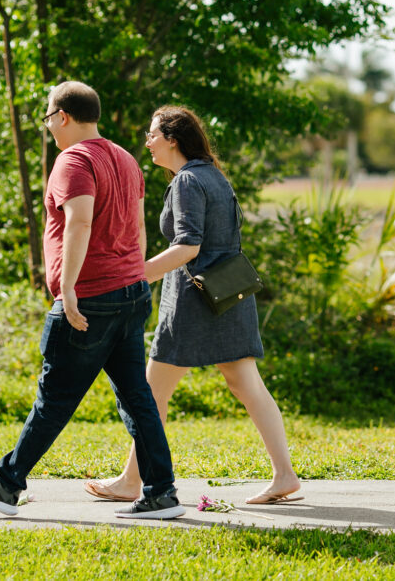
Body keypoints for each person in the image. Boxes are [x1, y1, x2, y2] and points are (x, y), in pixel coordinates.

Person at [0, 82, 185, 520]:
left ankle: (5, 485)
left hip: (90, 298)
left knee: (54, 399)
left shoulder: (73, 160)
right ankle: (160, 492)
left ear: (62, 116)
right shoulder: (124, 158)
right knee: (138, 396)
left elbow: (78, 223)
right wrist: (132, 281)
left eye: (48, 119)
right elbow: (137, 229)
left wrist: (67, 289)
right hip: (130, 294)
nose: (48, 129)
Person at [84, 105, 302, 505]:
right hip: (229, 295)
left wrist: (135, 274)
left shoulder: (187, 181)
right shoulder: (213, 174)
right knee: (245, 383)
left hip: (193, 300)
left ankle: (133, 480)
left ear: (172, 138)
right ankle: (284, 474)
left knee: (151, 392)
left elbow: (188, 245)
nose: (147, 142)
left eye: (152, 134)